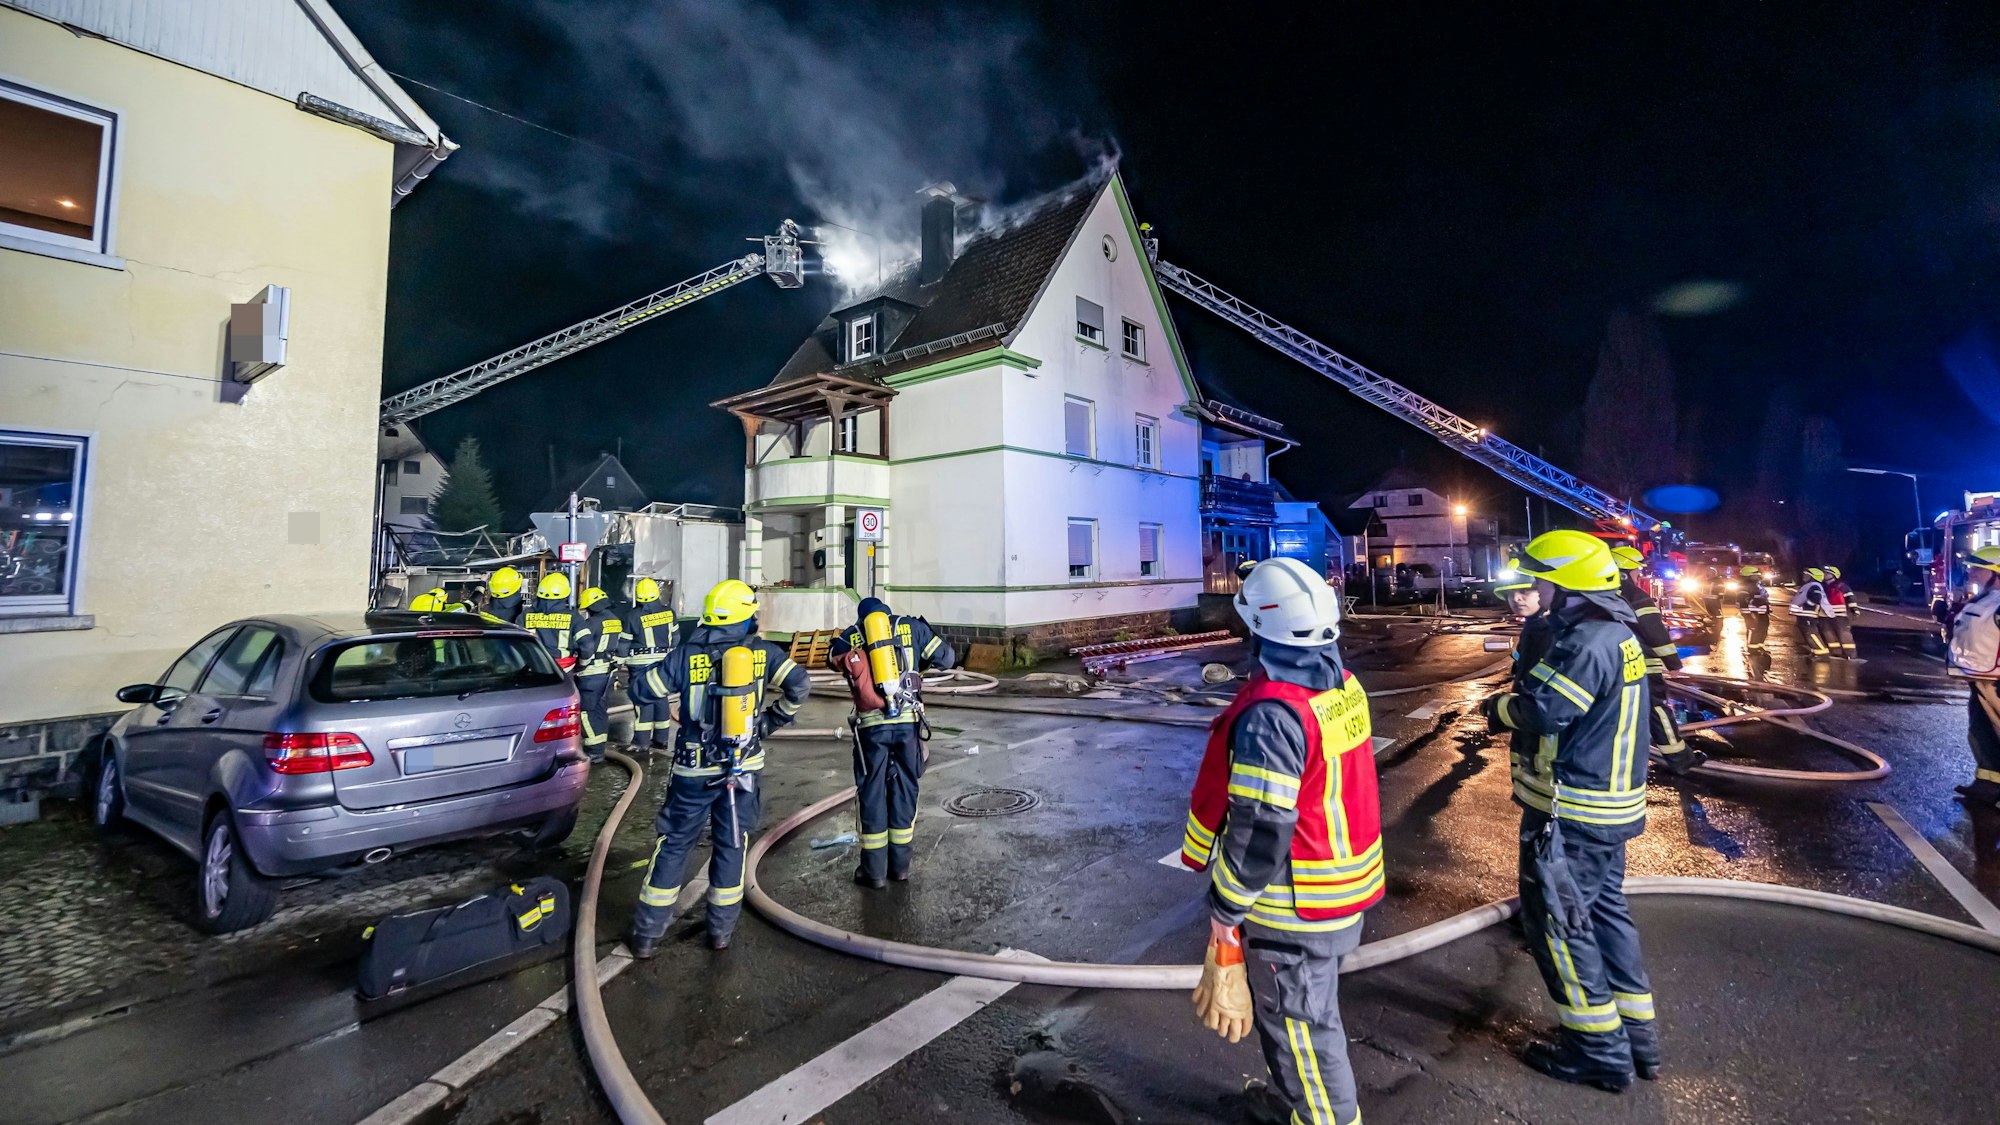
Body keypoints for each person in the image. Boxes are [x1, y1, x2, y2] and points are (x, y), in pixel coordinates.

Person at [1182, 558, 1382, 1125]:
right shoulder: (1341, 686)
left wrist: (1224, 914)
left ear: (1256, 628)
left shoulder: (1272, 715)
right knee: (1308, 1027)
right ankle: (1301, 1109)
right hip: (1338, 891)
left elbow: (1261, 830)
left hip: (1295, 910)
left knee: (1305, 1041)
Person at [1481, 530, 1659, 1091]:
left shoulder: (1585, 642)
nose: (1531, 589)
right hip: (1607, 810)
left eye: (1539, 580)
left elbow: (1546, 710)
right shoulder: (1617, 633)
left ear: (1565, 585)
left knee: (1558, 923)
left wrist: (1498, 707)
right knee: (1605, 914)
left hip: (1573, 815)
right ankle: (1636, 1039)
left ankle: (1597, 1051)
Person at [628, 580, 810, 955]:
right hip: (743, 769)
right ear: (745, 618)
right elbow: (800, 684)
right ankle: (721, 932)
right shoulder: (762, 653)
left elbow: (642, 691)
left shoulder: (685, 654)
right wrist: (769, 722)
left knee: (675, 844)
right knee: (732, 845)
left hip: (693, 771)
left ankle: (647, 936)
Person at [827, 597, 957, 887]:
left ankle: (873, 873)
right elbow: (948, 659)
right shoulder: (911, 627)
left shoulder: (851, 636)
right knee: (906, 789)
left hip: (871, 728)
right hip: (908, 724)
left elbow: (832, 660)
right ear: (888, 613)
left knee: (872, 791)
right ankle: (900, 868)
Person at [1609, 547, 1701, 775]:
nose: (1639, 574)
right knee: (1657, 709)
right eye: (1638, 569)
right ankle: (1680, 759)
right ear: (1627, 569)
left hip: (1607, 665)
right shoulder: (1636, 596)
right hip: (1640, 664)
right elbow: (1656, 634)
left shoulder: (1597, 594)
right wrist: (1674, 663)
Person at [1948, 547, 2000, 810]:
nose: (1970, 572)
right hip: (1980, 676)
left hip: (1997, 680)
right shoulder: (1984, 600)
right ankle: (1988, 784)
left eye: (1977, 568)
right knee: (1980, 732)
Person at [618, 578, 679, 753]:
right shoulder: (669, 613)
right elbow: (676, 639)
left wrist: (618, 663)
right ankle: (661, 740)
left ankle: (641, 742)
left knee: (642, 700)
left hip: (640, 664)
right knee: (660, 698)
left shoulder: (633, 616)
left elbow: (624, 644)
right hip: (663, 664)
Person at [573, 587, 623, 761]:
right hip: (608, 671)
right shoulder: (615, 620)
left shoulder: (591, 624)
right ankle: (600, 748)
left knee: (586, 712)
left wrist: (579, 666)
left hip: (591, 673)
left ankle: (593, 752)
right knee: (600, 710)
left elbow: (584, 648)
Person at [525, 572, 583, 670]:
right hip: (564, 668)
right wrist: (582, 663)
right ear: (566, 593)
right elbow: (587, 644)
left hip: (533, 667)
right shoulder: (574, 617)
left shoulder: (525, 615)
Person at [1790, 567, 1834, 659]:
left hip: (1808, 615)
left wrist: (1806, 606)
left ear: (1813, 577)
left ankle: (1822, 653)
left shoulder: (1814, 585)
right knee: (1807, 634)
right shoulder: (1810, 585)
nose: (1804, 576)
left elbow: (1815, 598)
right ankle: (1815, 651)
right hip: (1803, 614)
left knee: (1811, 633)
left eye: (1807, 575)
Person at [1825, 566, 1859, 659]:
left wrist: (1854, 609)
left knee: (1844, 634)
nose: (1825, 575)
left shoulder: (1841, 586)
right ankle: (1836, 652)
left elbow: (1850, 597)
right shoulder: (1825, 586)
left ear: (1834, 575)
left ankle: (1850, 654)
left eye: (1828, 573)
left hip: (1840, 615)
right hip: (1827, 615)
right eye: (1825, 573)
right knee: (1829, 633)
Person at [1738, 565, 1771, 649]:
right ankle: (1752, 648)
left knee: (1762, 628)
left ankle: (1758, 646)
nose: (1758, 575)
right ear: (1749, 575)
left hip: (1761, 612)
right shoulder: (1745, 586)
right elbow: (1742, 601)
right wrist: (1748, 615)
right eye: (1756, 574)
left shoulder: (1757, 585)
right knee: (1753, 629)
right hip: (1753, 612)